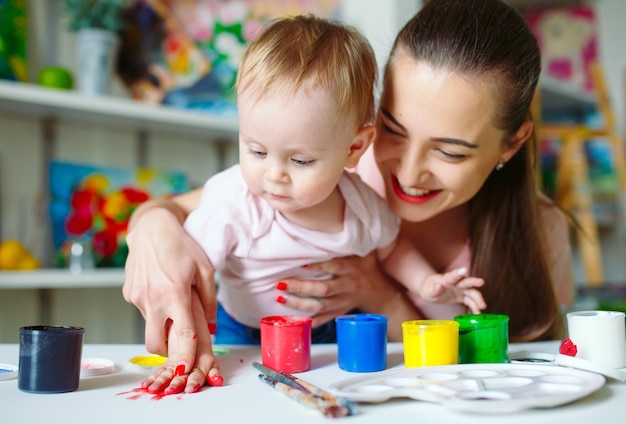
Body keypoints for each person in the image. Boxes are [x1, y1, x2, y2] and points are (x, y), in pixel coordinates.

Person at [123, 0, 574, 394]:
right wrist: (151, 232)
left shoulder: (538, 229)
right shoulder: (330, 177)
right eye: (393, 130)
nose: (409, 172)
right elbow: (174, 211)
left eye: (448, 151)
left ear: (512, 144)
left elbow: (533, 365)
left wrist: (378, 292)